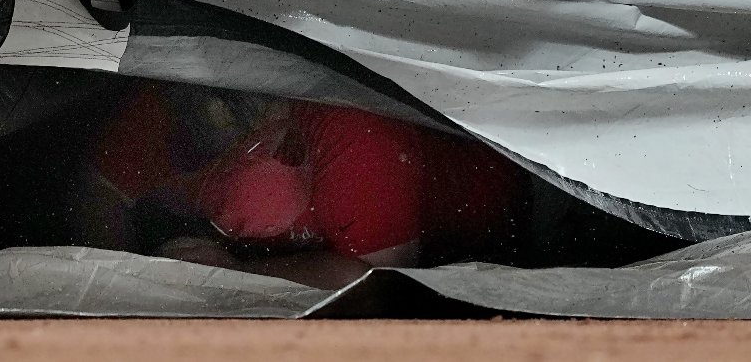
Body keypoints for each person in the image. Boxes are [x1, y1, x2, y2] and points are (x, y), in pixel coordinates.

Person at [81, 84, 527, 289]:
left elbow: (376, 287)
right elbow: (98, 192)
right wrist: (121, 279)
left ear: (278, 117)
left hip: (487, 226)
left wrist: (227, 277)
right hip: (310, 245)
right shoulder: (166, 118)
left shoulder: (356, 138)